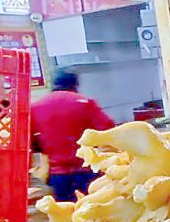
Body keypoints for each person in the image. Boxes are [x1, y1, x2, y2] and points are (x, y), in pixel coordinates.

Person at [31, 69, 114, 201]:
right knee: (92, 213)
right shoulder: (84, 103)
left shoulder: (36, 107)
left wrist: (45, 147)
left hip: (57, 175)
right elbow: (108, 130)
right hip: (87, 172)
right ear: (75, 84)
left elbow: (29, 141)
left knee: (66, 214)